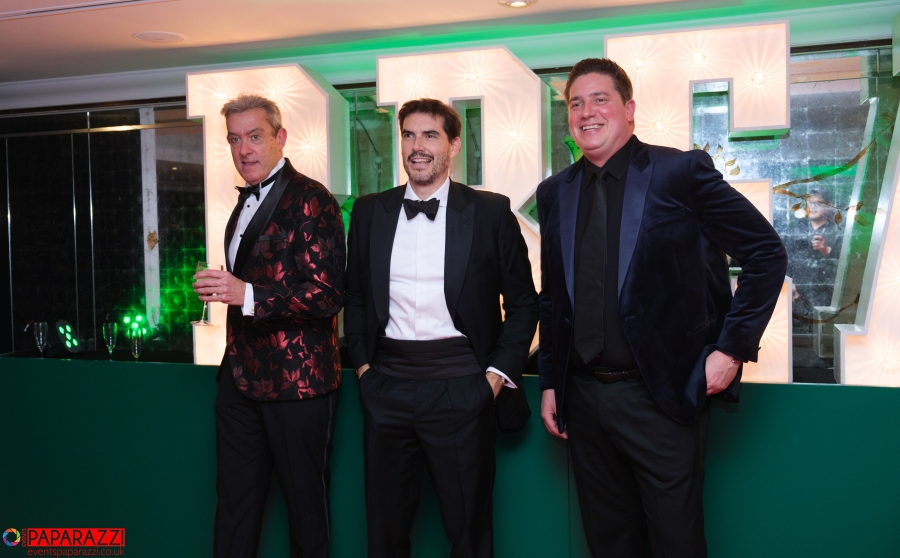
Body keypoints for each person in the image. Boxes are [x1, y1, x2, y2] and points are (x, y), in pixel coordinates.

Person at [536, 59, 787, 557]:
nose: (587, 112)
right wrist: (549, 381)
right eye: (576, 103)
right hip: (582, 398)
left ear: (629, 109)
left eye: (600, 99)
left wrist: (730, 351)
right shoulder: (553, 192)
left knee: (676, 543)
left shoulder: (680, 172)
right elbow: (553, 297)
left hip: (662, 396)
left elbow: (766, 253)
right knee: (608, 543)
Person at [344, 98, 539, 558]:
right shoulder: (370, 212)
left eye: (430, 135)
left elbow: (524, 304)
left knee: (469, 534)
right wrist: (365, 370)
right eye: (408, 135)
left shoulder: (491, 212)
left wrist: (493, 380)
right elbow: (355, 297)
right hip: (386, 385)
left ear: (453, 145)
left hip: (462, 385)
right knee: (384, 535)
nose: (417, 146)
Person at [193, 94, 345, 558]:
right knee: (233, 508)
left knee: (305, 513)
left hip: (297, 384)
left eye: (255, 136)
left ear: (281, 137)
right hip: (238, 379)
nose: (244, 150)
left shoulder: (314, 198)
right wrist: (229, 291)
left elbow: (327, 295)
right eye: (234, 139)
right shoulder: (241, 204)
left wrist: (246, 294)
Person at [788, 188, 843, 312]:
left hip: (825, 296)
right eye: (809, 203)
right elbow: (787, 260)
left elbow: (847, 267)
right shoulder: (795, 230)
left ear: (829, 206)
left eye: (818, 203)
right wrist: (788, 283)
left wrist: (827, 251)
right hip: (797, 295)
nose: (812, 207)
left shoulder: (837, 233)